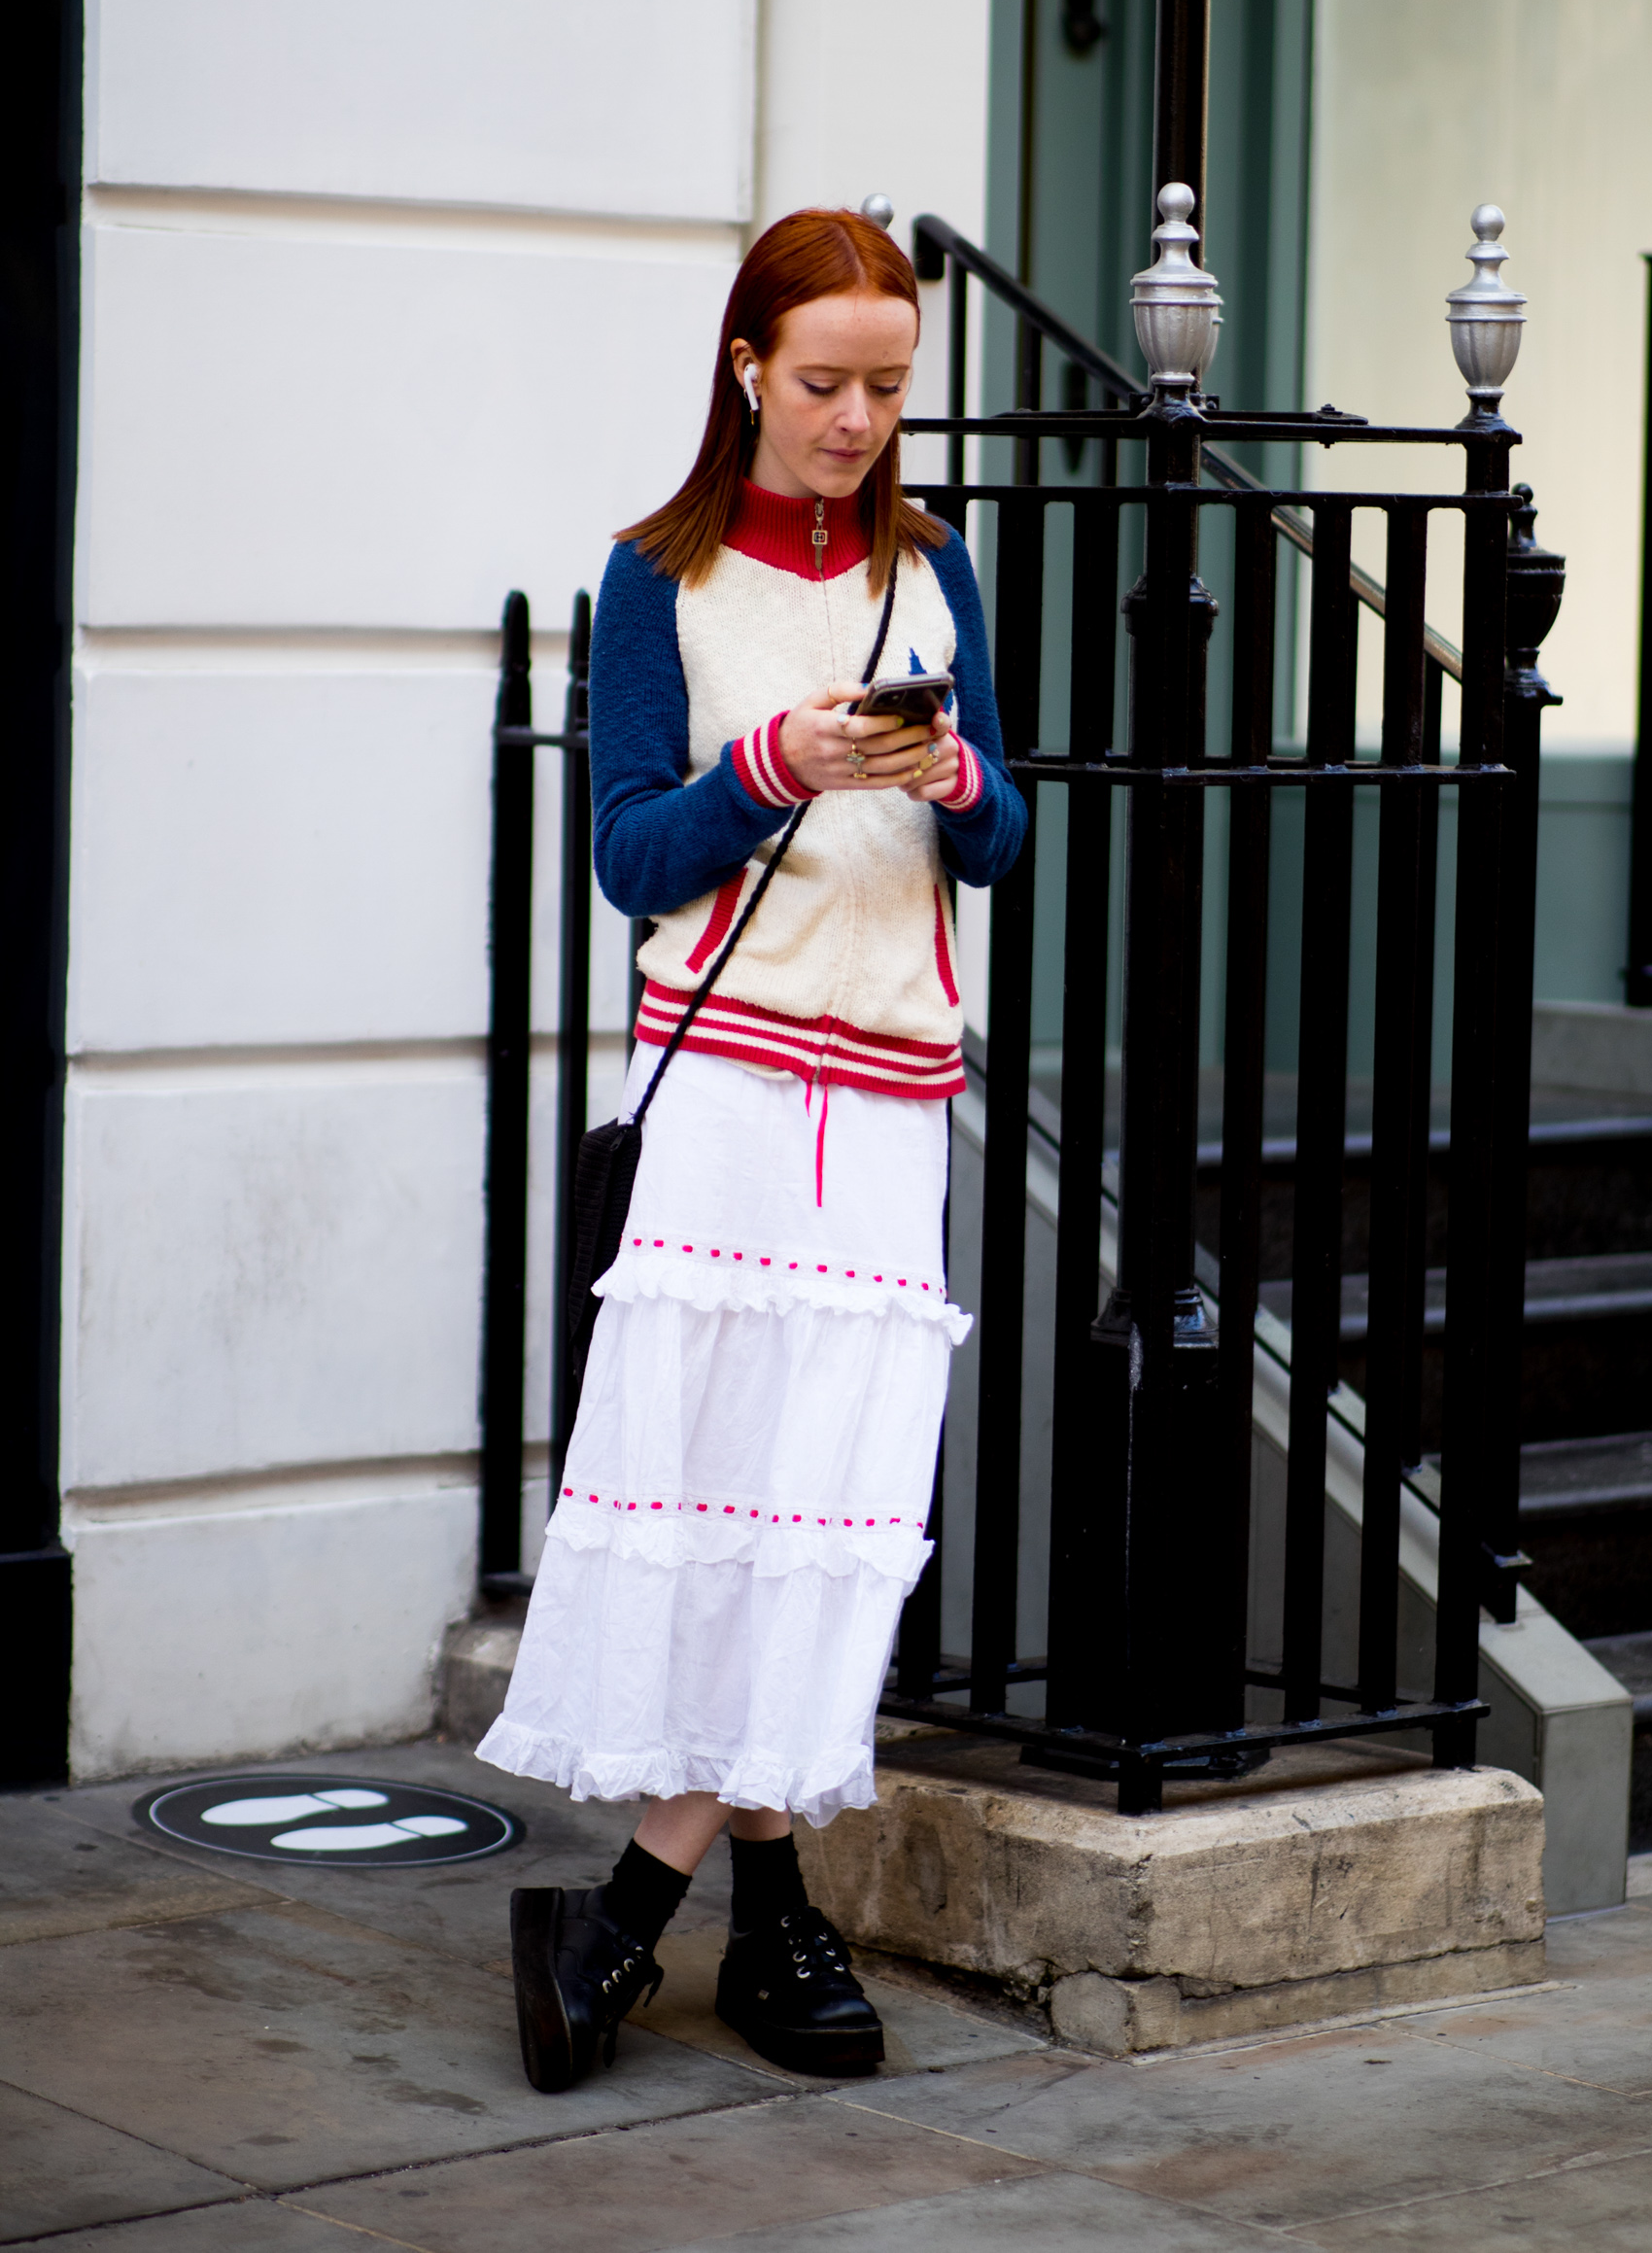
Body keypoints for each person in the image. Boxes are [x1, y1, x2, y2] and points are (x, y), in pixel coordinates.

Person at [477, 206, 1026, 2092]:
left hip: (888, 1097)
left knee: (834, 1519)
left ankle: (635, 1911)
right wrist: (773, 768)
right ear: (746, 369)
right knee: (721, 1499)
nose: (860, 417)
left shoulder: (939, 573)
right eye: (825, 383)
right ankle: (767, 1921)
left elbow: (1005, 836)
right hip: (722, 1096)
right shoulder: (665, 579)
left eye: (888, 383)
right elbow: (632, 851)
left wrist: (954, 781)